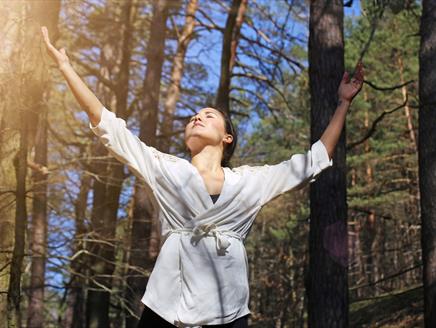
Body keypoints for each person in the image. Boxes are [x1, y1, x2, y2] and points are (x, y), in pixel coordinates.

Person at [41, 26, 363, 328]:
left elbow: (314, 160)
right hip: (167, 303)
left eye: (209, 115)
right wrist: (67, 68)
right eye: (194, 115)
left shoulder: (250, 182)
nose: (198, 116)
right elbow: (108, 126)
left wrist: (343, 103)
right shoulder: (167, 168)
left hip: (228, 307)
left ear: (227, 138)